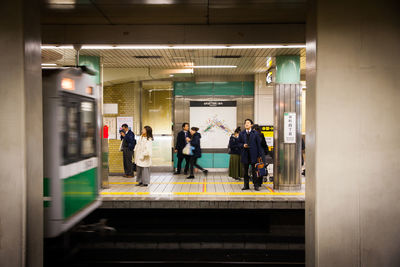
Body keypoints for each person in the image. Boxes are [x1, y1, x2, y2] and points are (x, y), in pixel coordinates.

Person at [238, 119, 263, 191]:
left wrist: (259, 156)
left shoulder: (255, 133)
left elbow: (259, 145)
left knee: (254, 171)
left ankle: (256, 186)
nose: (246, 124)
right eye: (245, 123)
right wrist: (243, 145)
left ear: (251, 125)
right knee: (245, 172)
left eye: (248, 123)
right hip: (245, 155)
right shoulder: (242, 133)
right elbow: (238, 143)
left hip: (254, 155)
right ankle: (246, 186)